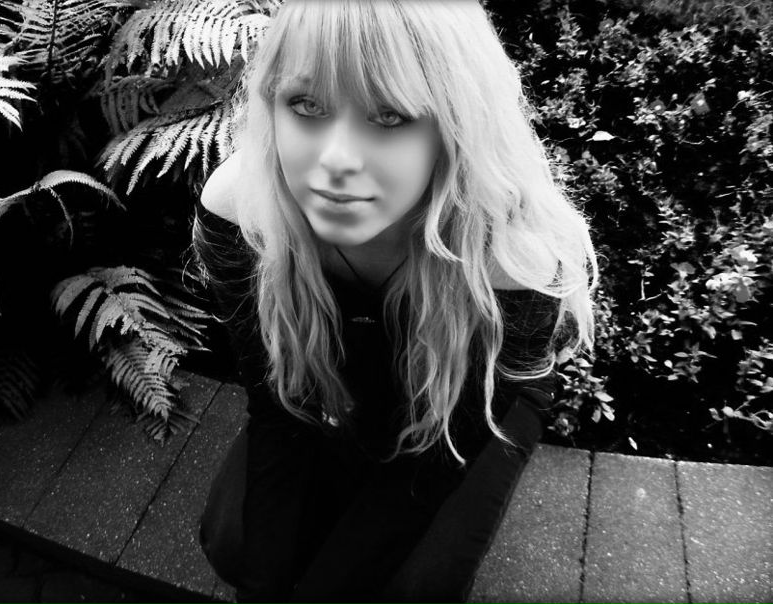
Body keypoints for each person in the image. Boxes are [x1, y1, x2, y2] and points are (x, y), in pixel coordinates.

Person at [193, 1, 597, 602]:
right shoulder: (245, 210)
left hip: (463, 397)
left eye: (389, 116)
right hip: (340, 371)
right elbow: (277, 407)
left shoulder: (513, 261)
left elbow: (433, 464)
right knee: (236, 542)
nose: (335, 162)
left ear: (457, 124)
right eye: (306, 105)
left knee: (415, 585)